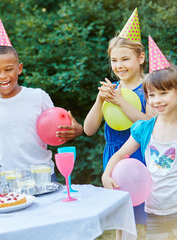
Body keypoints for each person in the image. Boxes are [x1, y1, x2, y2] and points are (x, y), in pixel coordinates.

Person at [0, 17, 83, 188]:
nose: (3, 76)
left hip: (43, 175)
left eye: (8, 69)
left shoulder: (38, 97)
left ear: (19, 68)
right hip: (10, 179)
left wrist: (77, 130)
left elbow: (60, 127)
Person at [84, 9, 154, 227]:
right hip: (114, 156)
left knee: (145, 218)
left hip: (141, 156)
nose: (119, 65)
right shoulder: (110, 90)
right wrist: (99, 101)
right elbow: (89, 129)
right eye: (114, 60)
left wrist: (120, 101)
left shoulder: (150, 89)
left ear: (140, 58)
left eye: (125, 59)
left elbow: (149, 125)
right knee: (120, 220)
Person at [102, 58, 177, 239]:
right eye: (151, 95)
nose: (157, 100)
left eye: (164, 93)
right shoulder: (144, 128)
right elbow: (120, 155)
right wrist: (106, 175)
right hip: (156, 209)